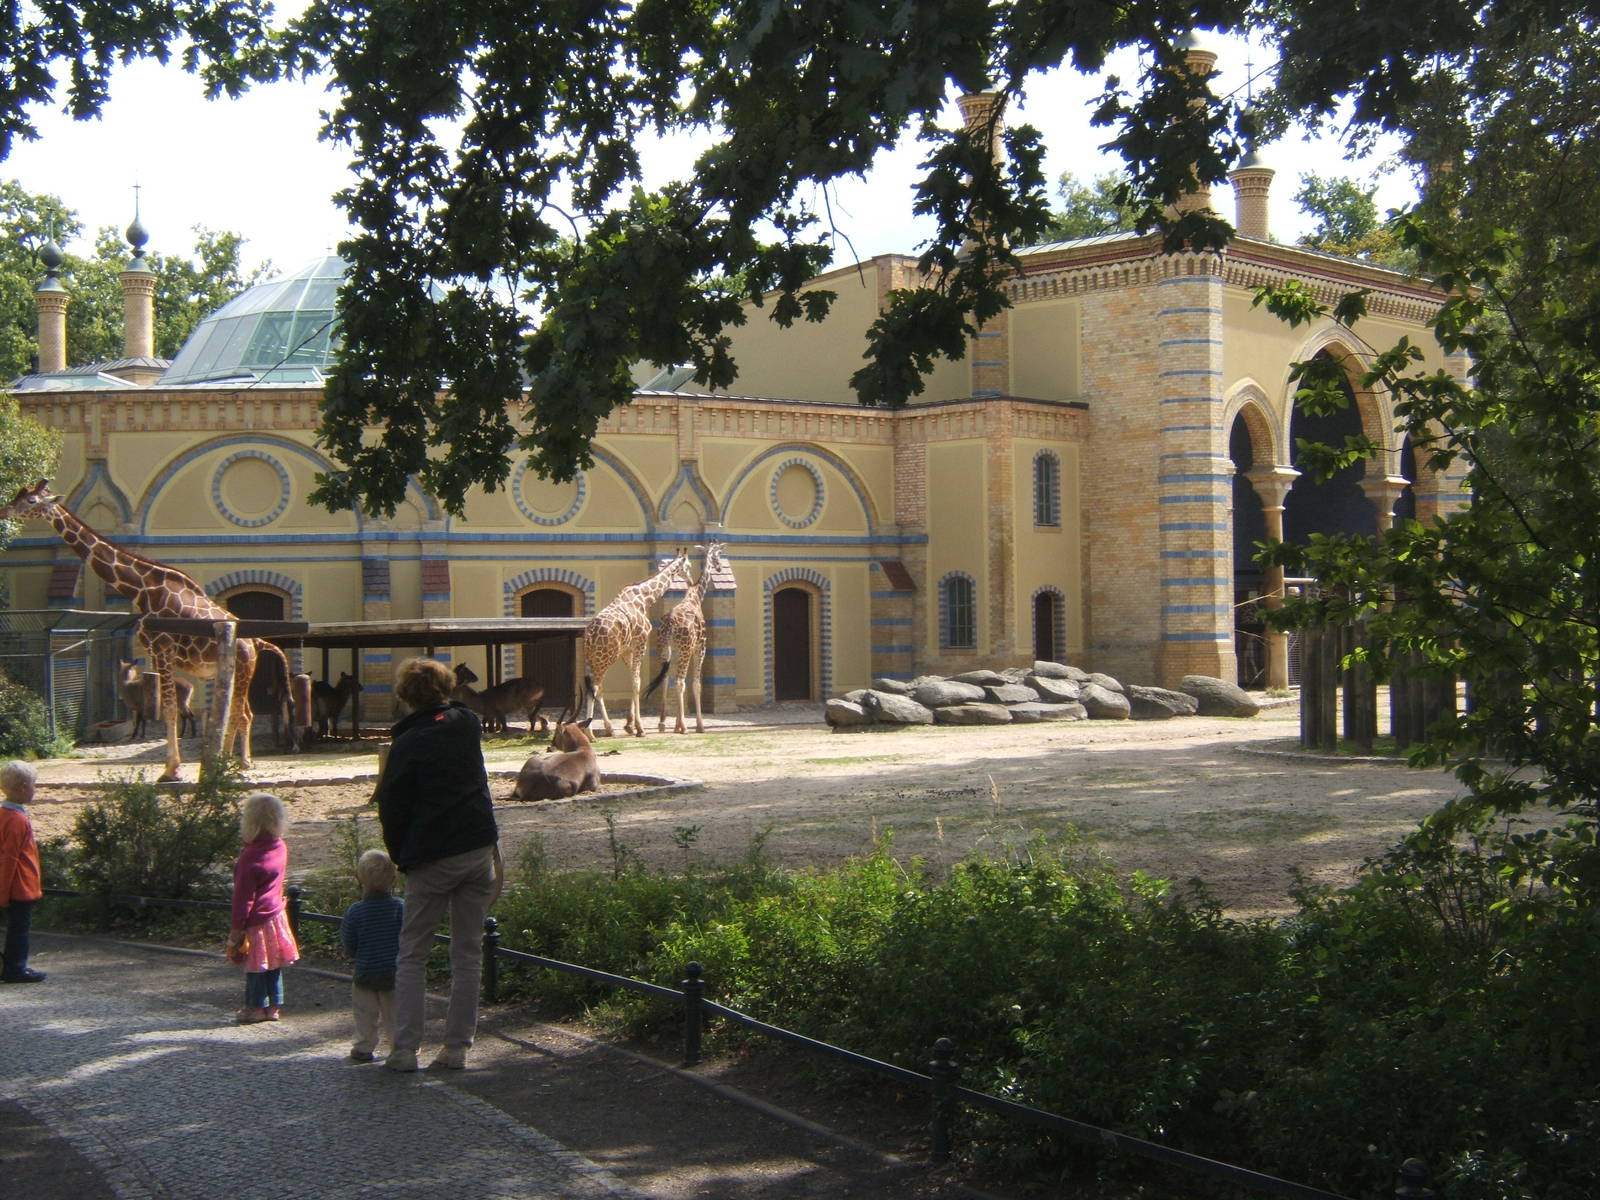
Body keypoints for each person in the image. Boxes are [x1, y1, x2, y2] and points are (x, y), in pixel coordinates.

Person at [375, 656, 500, 1072]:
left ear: (404, 696)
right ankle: (457, 1047)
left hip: (430, 855)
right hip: (477, 848)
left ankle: (406, 1048)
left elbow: (392, 808)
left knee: (412, 953)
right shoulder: (467, 724)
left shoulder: (407, 744)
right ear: (446, 689)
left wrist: (400, 857)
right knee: (467, 954)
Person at [227, 791, 300, 1023]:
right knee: (274, 963)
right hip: (276, 915)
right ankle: (274, 1005)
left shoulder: (249, 857)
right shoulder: (280, 847)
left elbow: (243, 897)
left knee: (256, 965)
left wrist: (237, 927)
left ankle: (255, 1006)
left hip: (257, 919)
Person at [340, 848, 405, 1063]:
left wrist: (354, 954)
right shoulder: (400, 908)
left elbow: (350, 942)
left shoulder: (355, 911)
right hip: (394, 970)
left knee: (364, 1012)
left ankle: (363, 1046)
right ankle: (400, 1047)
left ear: (359, 879)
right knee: (395, 1013)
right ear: (393, 879)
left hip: (366, 969)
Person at [0, 760, 46, 983]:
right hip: (19, 886)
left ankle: (12, 966)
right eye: (33, 785)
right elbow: (9, 858)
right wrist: (3, 892)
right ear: (22, 788)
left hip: (13, 886)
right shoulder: (17, 820)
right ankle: (16, 968)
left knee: (16, 929)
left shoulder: (4, 815)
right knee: (19, 930)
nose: (35, 789)